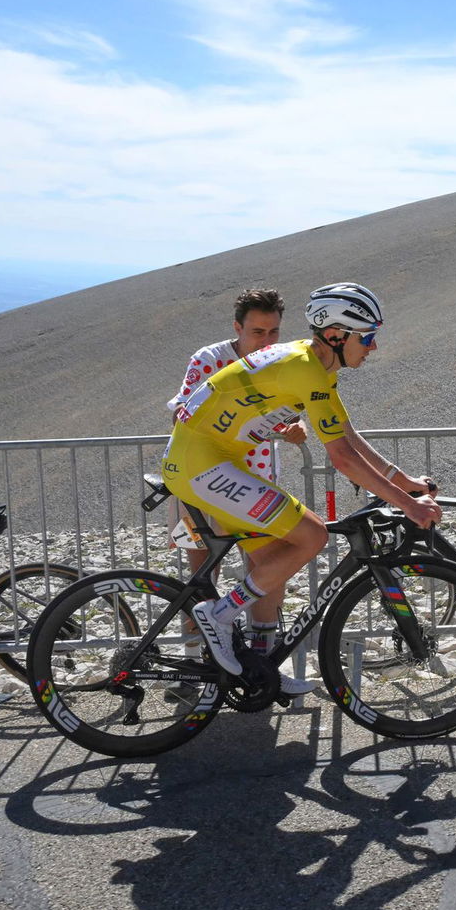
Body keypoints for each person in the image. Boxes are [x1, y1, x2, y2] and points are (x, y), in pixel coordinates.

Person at [163, 283, 441, 696]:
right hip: (202, 463)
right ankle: (217, 616)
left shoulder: (314, 365)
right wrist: (410, 507)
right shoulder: (306, 369)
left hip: (214, 460)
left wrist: (404, 484)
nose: (374, 346)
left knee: (273, 561)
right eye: (366, 337)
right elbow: (343, 459)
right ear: (336, 335)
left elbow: (348, 437)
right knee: (312, 534)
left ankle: (260, 667)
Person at [166, 290, 307, 678]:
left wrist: (292, 427)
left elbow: (280, 413)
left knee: (266, 566)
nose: (266, 342)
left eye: (274, 332)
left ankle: (260, 660)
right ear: (237, 328)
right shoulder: (209, 359)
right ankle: (195, 664)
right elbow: (182, 411)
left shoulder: (277, 363)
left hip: (255, 482)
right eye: (257, 332)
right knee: (199, 574)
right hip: (197, 483)